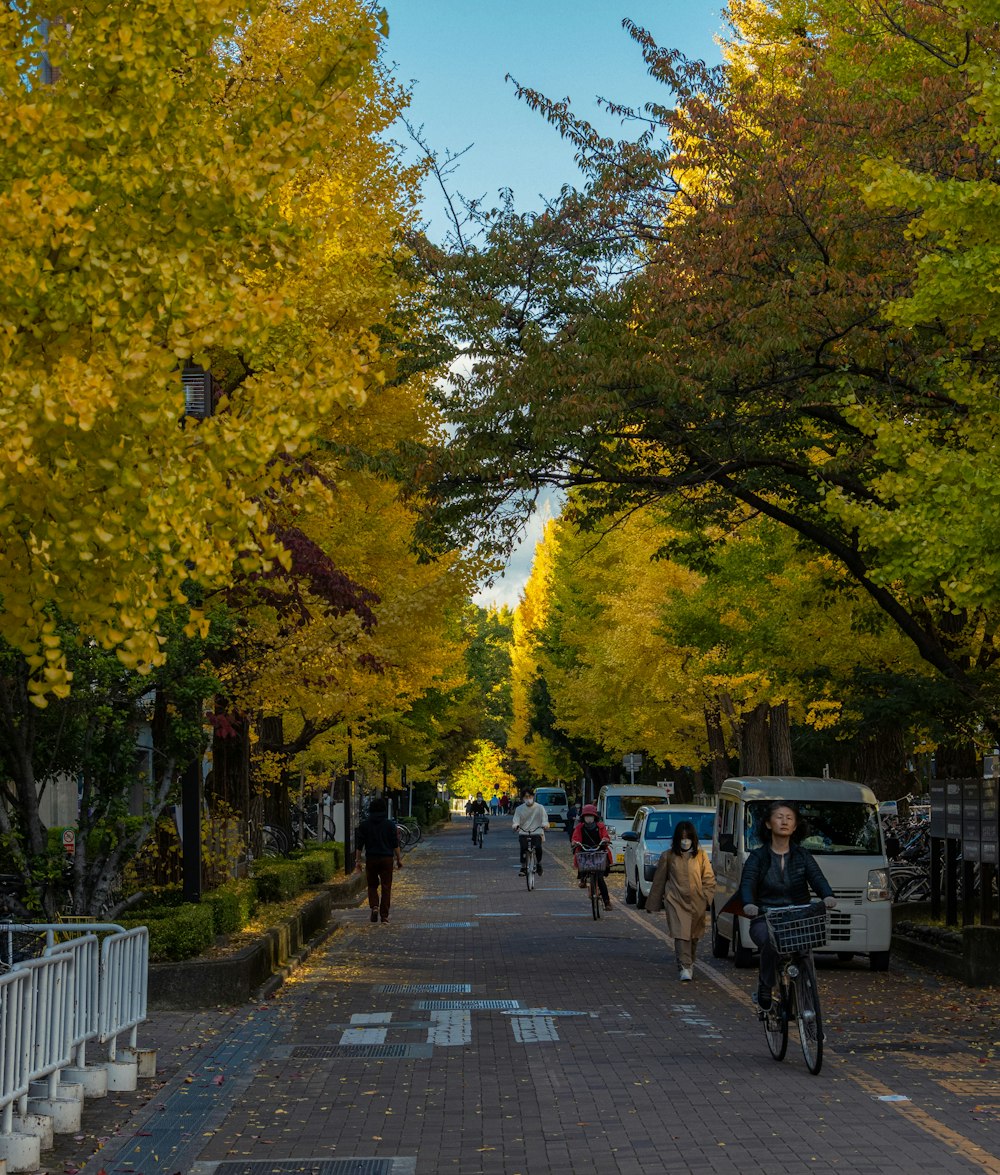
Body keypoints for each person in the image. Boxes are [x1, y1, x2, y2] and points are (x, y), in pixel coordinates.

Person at [734, 800, 836, 1010]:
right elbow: (747, 883)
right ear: (768, 824)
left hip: (798, 918)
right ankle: (766, 984)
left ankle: (809, 1006)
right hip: (766, 917)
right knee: (771, 943)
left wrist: (827, 895)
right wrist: (749, 904)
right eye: (779, 817)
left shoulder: (802, 855)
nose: (784, 821)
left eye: (789, 818)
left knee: (805, 952)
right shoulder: (758, 857)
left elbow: (817, 878)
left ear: (795, 826)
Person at [646, 820, 716, 980]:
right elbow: (659, 881)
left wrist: (706, 897)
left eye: (688, 837)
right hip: (675, 900)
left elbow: (709, 878)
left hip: (697, 901)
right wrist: (653, 904)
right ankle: (684, 966)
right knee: (681, 933)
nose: (685, 841)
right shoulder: (668, 856)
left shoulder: (701, 855)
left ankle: (689, 961)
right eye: (682, 838)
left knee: (693, 935)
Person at [354, 797, 403, 924]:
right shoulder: (390, 825)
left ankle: (374, 906)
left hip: (371, 859)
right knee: (386, 886)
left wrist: (358, 861)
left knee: (372, 885)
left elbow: (359, 845)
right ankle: (384, 916)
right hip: (386, 859)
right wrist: (399, 859)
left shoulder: (364, 825)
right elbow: (395, 844)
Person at [571, 803, 613, 910]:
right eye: (586, 816)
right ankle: (583, 879)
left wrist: (605, 840)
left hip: (599, 854)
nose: (589, 819)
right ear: (583, 817)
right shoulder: (580, 827)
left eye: (591, 816)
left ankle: (607, 902)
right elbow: (575, 838)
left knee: (600, 878)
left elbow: (605, 836)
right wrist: (575, 842)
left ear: (595, 817)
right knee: (581, 861)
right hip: (585, 852)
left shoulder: (600, 826)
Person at [512, 787, 547, 876]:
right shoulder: (519, 809)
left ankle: (539, 863)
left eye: (530, 796)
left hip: (537, 831)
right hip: (524, 832)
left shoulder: (540, 808)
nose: (528, 799)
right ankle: (523, 866)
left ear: (533, 796)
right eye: (526, 797)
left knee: (538, 847)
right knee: (523, 848)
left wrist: (545, 824)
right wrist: (515, 825)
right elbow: (516, 820)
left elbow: (544, 819)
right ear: (523, 798)